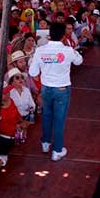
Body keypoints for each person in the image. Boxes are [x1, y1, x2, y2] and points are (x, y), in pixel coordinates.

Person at [28, 21, 83, 161]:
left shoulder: (40, 51)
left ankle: (45, 143)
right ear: (64, 35)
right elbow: (79, 61)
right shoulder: (68, 50)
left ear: (49, 35)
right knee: (59, 120)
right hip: (62, 89)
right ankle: (57, 150)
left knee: (46, 116)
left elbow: (33, 72)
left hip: (46, 88)